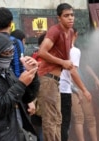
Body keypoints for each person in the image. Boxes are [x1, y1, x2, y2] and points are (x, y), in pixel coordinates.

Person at [0, 32, 39, 140]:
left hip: (16, 130)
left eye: (12, 52)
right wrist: (21, 83)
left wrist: (32, 74)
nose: (10, 55)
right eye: (6, 52)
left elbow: (26, 97)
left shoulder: (7, 71)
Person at [36, 3, 74, 141]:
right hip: (47, 79)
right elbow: (42, 52)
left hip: (55, 81)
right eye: (66, 15)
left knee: (57, 119)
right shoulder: (55, 30)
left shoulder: (69, 32)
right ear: (59, 18)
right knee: (51, 121)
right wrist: (63, 62)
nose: (70, 18)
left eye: (72, 15)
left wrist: (65, 63)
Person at [59, 28, 92, 141]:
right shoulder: (74, 51)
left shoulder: (56, 49)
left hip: (55, 90)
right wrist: (83, 90)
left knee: (58, 124)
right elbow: (72, 72)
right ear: (76, 35)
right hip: (65, 91)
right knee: (66, 124)